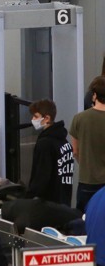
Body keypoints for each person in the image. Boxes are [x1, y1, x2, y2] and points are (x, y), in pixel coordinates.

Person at [27, 99, 75, 205]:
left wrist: (29, 197)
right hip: (64, 201)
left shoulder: (45, 143)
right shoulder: (64, 142)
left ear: (47, 118)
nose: (33, 119)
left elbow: (41, 176)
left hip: (48, 204)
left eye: (36, 116)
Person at [71, 76, 105, 211]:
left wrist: (87, 164)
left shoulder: (79, 118)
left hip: (87, 181)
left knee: (82, 222)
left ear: (94, 95)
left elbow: (75, 151)